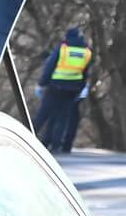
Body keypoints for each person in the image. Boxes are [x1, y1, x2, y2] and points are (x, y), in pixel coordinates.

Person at [34, 27, 94, 155]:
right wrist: (82, 88)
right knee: (62, 118)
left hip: (55, 87)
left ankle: (30, 139)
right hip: (72, 89)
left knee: (43, 115)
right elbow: (86, 72)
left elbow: (50, 66)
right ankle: (56, 146)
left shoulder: (63, 49)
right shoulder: (87, 52)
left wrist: (41, 84)